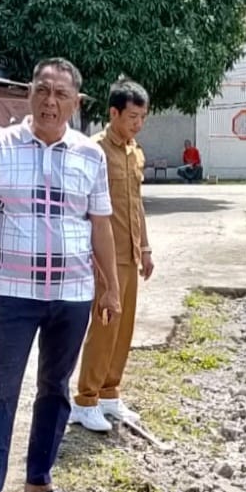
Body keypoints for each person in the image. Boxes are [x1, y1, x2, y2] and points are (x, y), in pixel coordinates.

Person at [0, 58, 123, 492]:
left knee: (55, 388)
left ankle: (39, 482)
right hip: (15, 292)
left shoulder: (90, 155)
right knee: (2, 390)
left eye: (60, 94)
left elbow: (100, 225)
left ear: (75, 102)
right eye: (42, 90)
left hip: (72, 294)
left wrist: (110, 287)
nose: (50, 101)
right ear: (30, 94)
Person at [71, 79, 154, 432]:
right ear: (113, 113)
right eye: (132, 116)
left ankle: (109, 394)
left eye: (143, 117)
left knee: (124, 329)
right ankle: (85, 400)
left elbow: (137, 205)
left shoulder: (135, 153)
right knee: (104, 327)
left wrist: (146, 248)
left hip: (131, 254)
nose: (138, 124)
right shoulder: (93, 151)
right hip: (103, 257)